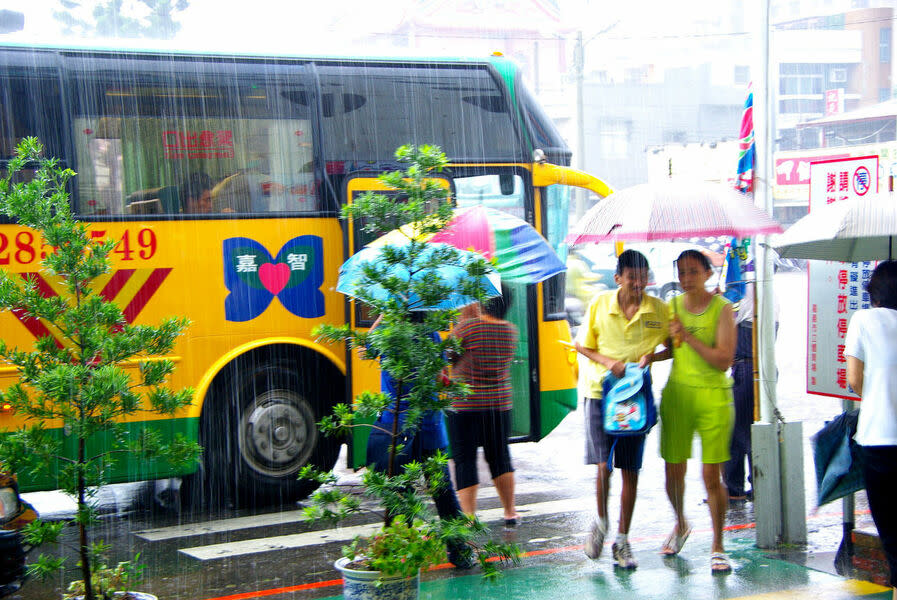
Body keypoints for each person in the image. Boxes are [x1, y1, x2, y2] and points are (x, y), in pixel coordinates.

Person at [574, 249, 669, 569]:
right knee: (603, 466)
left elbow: (675, 344)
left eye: (644, 278)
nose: (639, 284)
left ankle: (623, 541)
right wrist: (609, 362)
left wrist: (651, 358)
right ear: (618, 278)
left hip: (636, 400)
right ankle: (600, 523)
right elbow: (582, 345)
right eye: (632, 278)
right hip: (600, 394)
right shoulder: (600, 303)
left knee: (631, 471)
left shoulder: (659, 310)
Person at [365, 312, 473, 569]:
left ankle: (400, 554)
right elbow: (438, 379)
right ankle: (459, 552)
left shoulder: (388, 335)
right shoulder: (432, 336)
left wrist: (382, 316)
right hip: (429, 427)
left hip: (397, 427)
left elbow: (367, 345)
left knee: (401, 495)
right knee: (444, 494)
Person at [658, 249, 736, 574]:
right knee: (673, 472)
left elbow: (723, 360)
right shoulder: (671, 307)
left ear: (707, 273)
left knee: (710, 476)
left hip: (714, 398)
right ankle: (681, 524)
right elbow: (668, 347)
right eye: (681, 272)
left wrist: (687, 336)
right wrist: (650, 355)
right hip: (677, 396)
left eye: (693, 271)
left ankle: (718, 544)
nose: (687, 279)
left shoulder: (723, 308)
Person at [845, 260, 897, 600]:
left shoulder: (863, 319)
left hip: (879, 437)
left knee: (891, 529)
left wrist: (879, 396)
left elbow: (853, 379)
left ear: (873, 292)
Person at [448, 285, 519, 527]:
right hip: (498, 406)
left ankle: (468, 516)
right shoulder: (510, 331)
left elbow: (447, 354)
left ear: (484, 302)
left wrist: (463, 321)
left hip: (465, 405)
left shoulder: (468, 327)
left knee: (465, 458)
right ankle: (510, 511)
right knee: (500, 457)